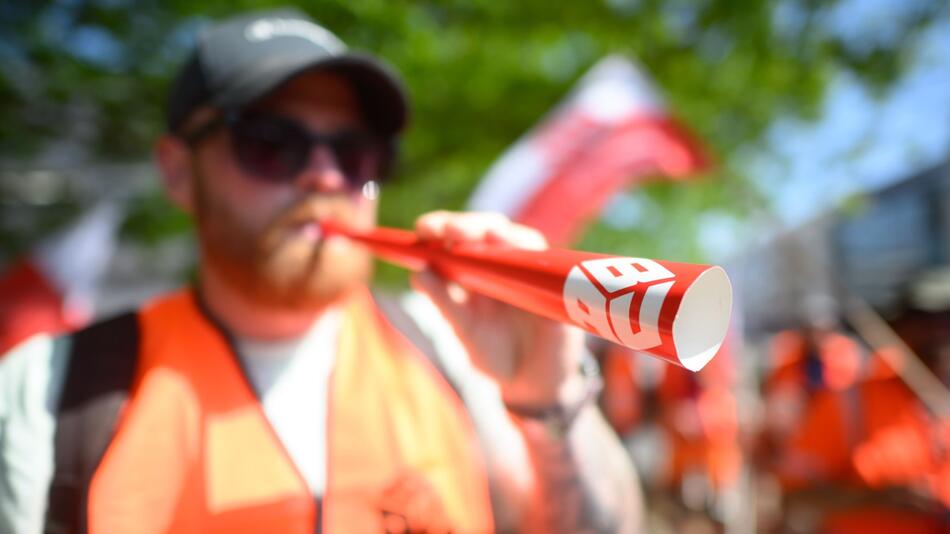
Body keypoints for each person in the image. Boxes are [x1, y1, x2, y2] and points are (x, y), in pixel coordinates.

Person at [0, 9, 642, 533]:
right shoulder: (50, 390)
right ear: (177, 171)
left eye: (354, 151)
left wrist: (547, 404)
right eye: (270, 143)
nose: (326, 176)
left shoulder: (450, 346)